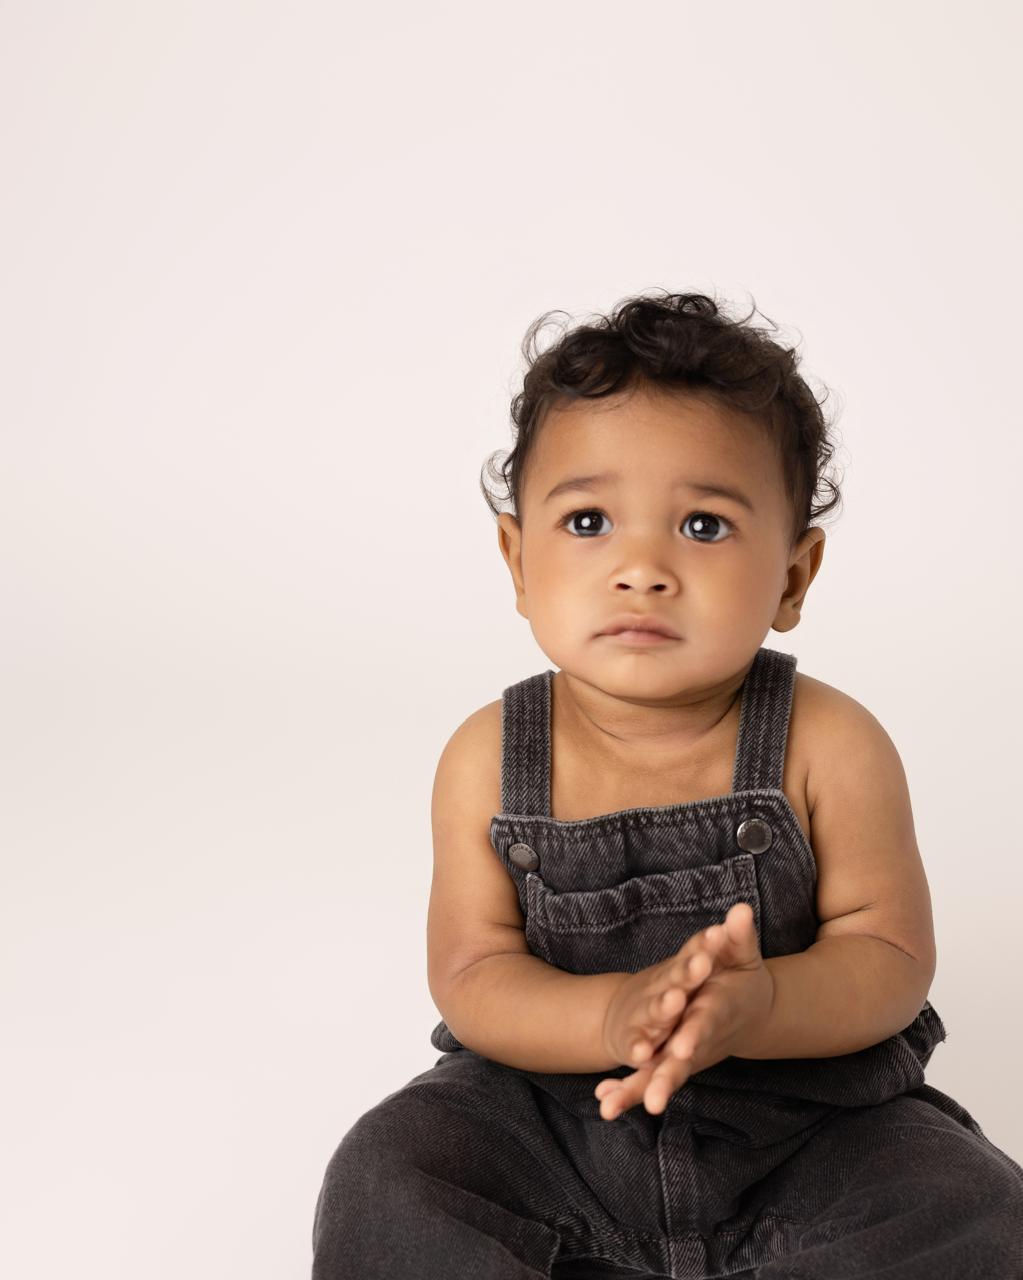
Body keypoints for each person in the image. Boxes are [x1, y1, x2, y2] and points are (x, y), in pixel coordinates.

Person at [310, 291, 1023, 1278]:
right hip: (555, 1128)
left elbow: (890, 956)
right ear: (519, 559)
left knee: (973, 1205)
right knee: (385, 1177)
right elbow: (473, 975)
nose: (642, 567)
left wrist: (759, 1000)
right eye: (590, 519)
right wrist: (610, 1016)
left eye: (704, 524)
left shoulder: (831, 742)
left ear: (794, 576)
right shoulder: (488, 756)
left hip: (802, 1132)